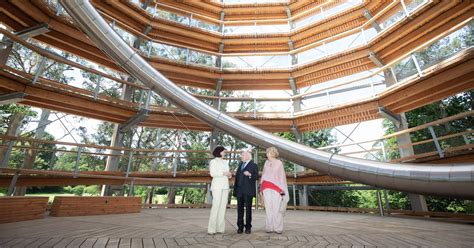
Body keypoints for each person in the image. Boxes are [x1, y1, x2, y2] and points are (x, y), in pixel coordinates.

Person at [260, 147, 289, 234]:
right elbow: (264, 175)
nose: (267, 154)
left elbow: (282, 177)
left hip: (277, 188)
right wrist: (261, 187)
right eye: (266, 153)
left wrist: (283, 190)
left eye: (268, 153)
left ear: (273, 153)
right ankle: (269, 227)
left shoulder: (279, 163)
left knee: (277, 208)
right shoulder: (266, 162)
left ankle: (278, 228)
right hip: (266, 187)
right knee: (268, 208)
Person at [208, 146, 232, 235]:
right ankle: (211, 229)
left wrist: (229, 175)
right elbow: (212, 174)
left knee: (222, 208)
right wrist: (223, 173)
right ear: (219, 152)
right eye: (223, 151)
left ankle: (220, 228)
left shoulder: (225, 162)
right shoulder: (213, 161)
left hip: (225, 186)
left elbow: (228, 174)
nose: (224, 153)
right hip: (217, 186)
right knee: (216, 207)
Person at [233, 151, 259, 234]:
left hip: (248, 191)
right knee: (239, 210)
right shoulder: (240, 164)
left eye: (243, 155)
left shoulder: (253, 165)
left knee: (248, 210)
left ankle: (248, 227)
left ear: (248, 156)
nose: (241, 156)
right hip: (239, 191)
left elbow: (256, 176)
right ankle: (240, 227)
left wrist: (250, 174)